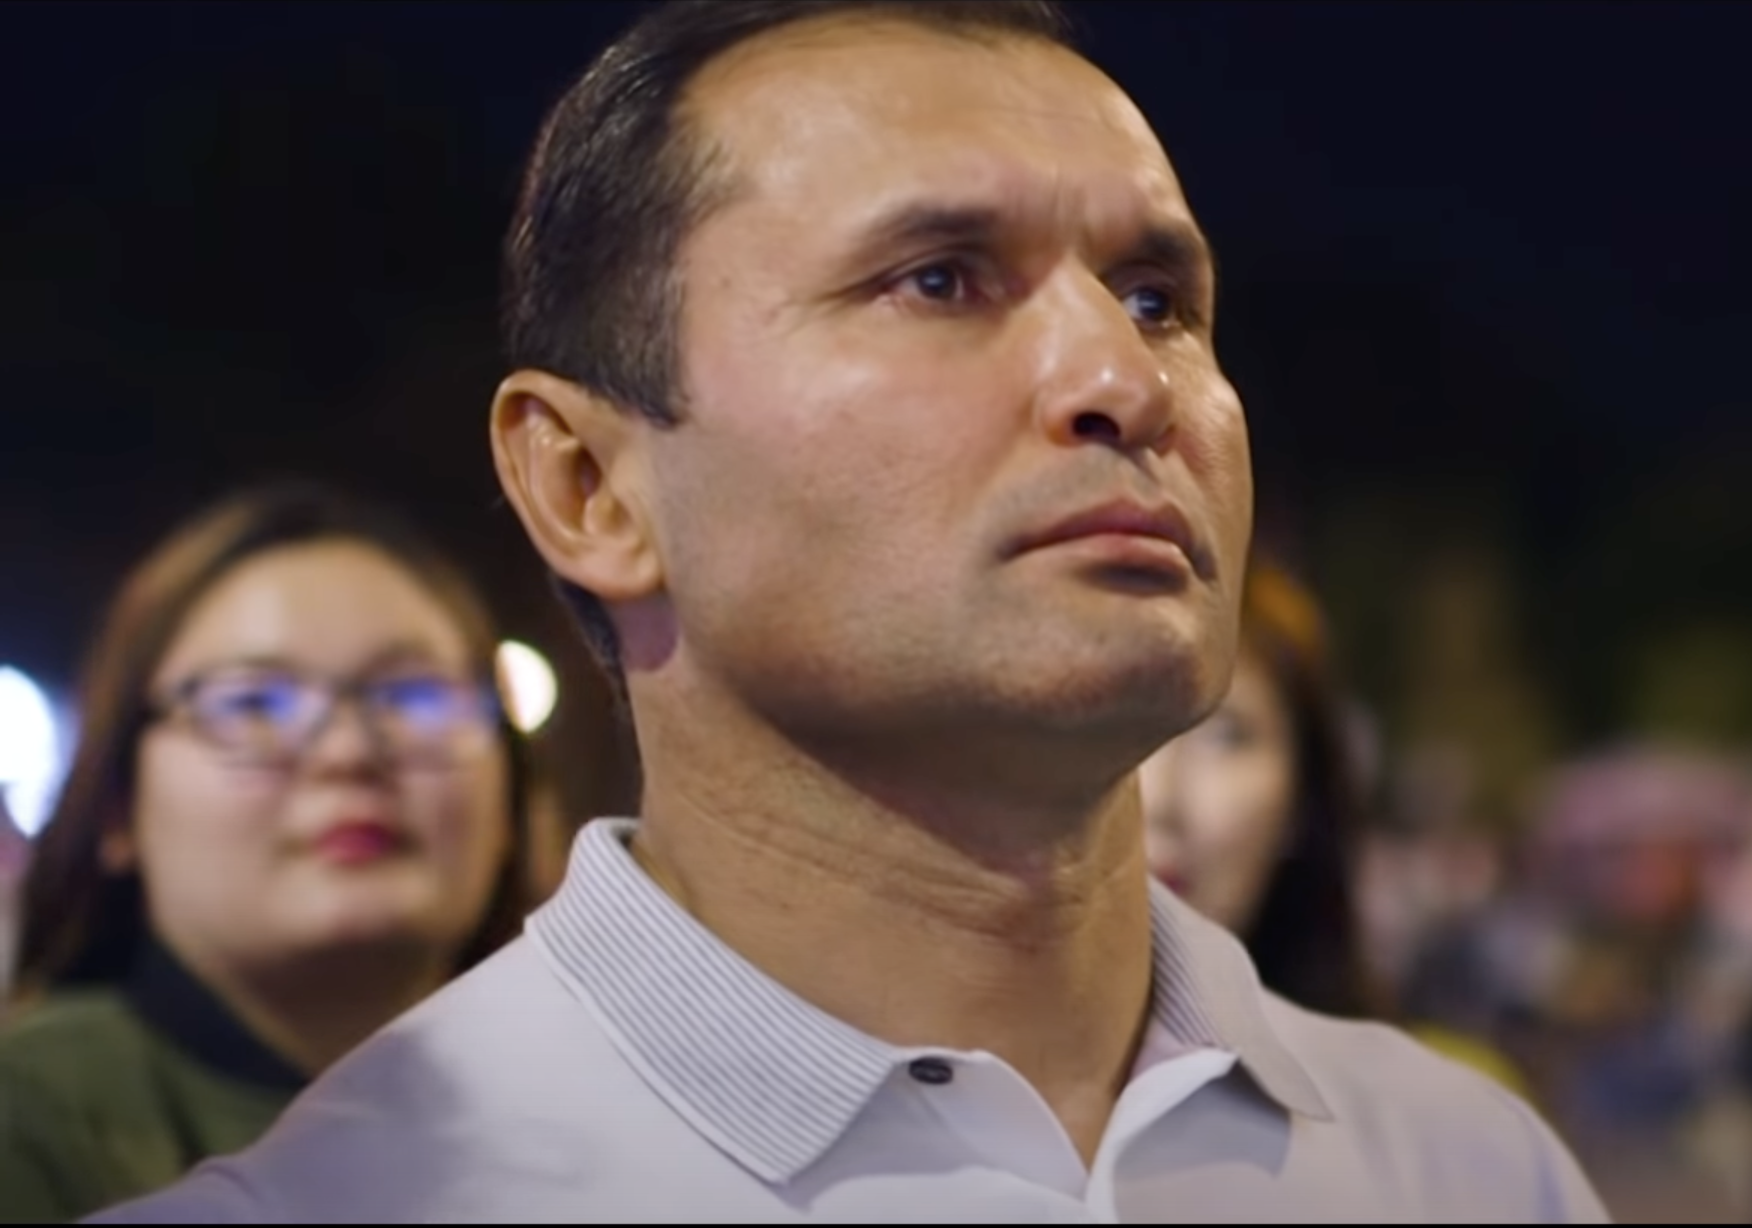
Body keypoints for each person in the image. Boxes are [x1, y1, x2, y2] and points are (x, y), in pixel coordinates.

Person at [95, 2, 1607, 1221]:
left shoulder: (1471, 1172)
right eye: (940, 280)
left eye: (1157, 298)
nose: (1124, 380)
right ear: (589, 487)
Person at [0, 484, 537, 1223]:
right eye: (253, 704)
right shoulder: (31, 1121)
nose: (348, 753)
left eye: (413, 698)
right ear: (118, 808)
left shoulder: (611, 1107)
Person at [1138, 558, 1531, 1092]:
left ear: (1306, 794)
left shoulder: (1439, 1110)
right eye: (1106, 723)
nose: (1157, 799)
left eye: (1225, 735)